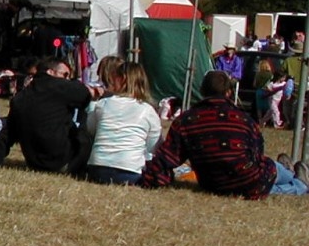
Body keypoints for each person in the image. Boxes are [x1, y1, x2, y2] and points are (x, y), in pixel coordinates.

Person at [139, 70, 306, 198]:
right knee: (270, 170)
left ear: (203, 91)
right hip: (249, 179)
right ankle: (297, 181)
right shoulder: (244, 119)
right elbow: (258, 152)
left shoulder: (185, 121)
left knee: (262, 182)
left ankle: (291, 175)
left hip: (212, 183)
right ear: (228, 93)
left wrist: (148, 177)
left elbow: (168, 156)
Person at [0, 57, 97, 174]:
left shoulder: (20, 97)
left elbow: (7, 134)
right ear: (50, 72)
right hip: (64, 162)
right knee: (88, 116)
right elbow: (85, 95)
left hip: (34, 164)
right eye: (65, 75)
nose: (67, 79)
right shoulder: (61, 87)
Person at [84, 60, 162, 185]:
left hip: (98, 169)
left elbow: (91, 130)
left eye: (113, 78)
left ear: (122, 79)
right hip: (129, 171)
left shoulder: (103, 104)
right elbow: (154, 146)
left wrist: (92, 103)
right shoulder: (148, 111)